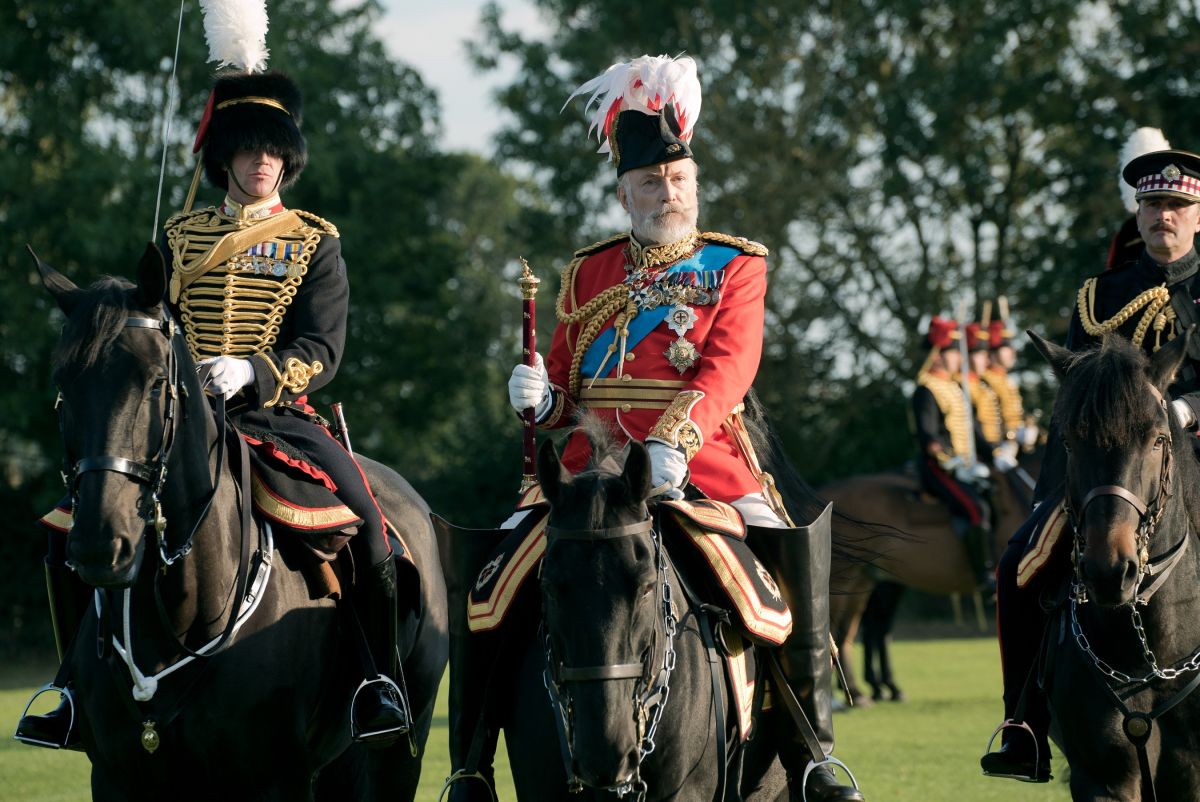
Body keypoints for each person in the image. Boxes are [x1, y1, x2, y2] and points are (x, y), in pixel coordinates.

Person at [485, 55, 862, 802]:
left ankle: (813, 751)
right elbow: (564, 390)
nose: (669, 192)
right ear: (624, 192)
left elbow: (727, 368)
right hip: (591, 472)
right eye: (652, 183)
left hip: (704, 464)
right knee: (493, 577)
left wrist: (672, 443)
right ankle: (470, 760)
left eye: (679, 179)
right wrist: (535, 398)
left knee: (781, 554)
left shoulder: (734, 266)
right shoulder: (588, 272)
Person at [17, 68, 407, 749]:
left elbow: (323, 345)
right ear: (222, 154)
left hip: (273, 416)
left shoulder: (315, 241)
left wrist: (253, 371)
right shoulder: (179, 236)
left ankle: (375, 682)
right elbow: (146, 325)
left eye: (276, 150)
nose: (265, 162)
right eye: (251, 148)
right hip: (173, 419)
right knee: (64, 530)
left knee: (370, 520)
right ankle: (73, 687)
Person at [981, 147, 1200, 782]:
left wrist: (1181, 413)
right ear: (1138, 212)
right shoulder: (1100, 295)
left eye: (1178, 205)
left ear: (1197, 216)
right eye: (1154, 204)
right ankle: (1022, 723)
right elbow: (1075, 390)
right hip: (1108, 472)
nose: (1165, 216)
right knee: (1017, 565)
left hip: (1193, 453)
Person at [911, 316, 996, 593]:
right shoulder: (926, 390)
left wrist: (996, 453)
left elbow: (972, 429)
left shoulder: (955, 387)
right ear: (938, 355)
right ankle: (982, 575)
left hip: (967, 466)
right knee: (976, 509)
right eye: (951, 353)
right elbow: (929, 438)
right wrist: (952, 462)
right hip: (939, 468)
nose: (958, 359)